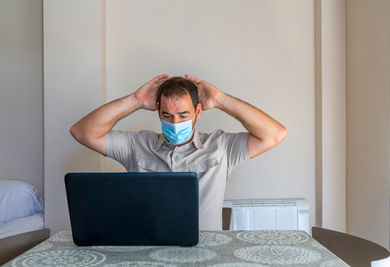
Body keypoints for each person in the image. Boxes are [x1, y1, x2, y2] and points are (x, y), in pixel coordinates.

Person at [70, 73, 287, 230]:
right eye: (167, 115)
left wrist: (220, 100)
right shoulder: (137, 146)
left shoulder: (221, 147)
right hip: (149, 251)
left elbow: (274, 134)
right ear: (158, 113)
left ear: (198, 111)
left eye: (183, 115)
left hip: (206, 254)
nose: (175, 122)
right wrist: (135, 101)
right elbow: (82, 133)